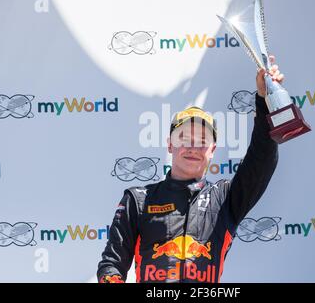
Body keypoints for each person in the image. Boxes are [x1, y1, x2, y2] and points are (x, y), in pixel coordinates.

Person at [97, 56, 283, 283]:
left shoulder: (225, 198)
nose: (193, 148)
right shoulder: (138, 200)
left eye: (202, 140)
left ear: (212, 150)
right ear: (170, 145)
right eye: (184, 138)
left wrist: (265, 100)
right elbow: (111, 265)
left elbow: (261, 160)